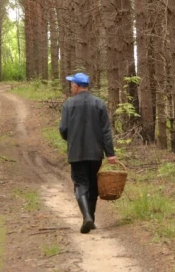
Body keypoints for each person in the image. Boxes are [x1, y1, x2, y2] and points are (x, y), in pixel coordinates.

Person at [59, 72, 116, 234]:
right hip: (96, 153)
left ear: (76, 86)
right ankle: (91, 217)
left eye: (71, 85)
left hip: (76, 153)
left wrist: (70, 138)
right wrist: (110, 153)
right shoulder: (99, 104)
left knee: (80, 183)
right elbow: (106, 131)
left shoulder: (68, 105)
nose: (71, 88)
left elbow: (63, 129)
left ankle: (86, 218)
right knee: (92, 184)